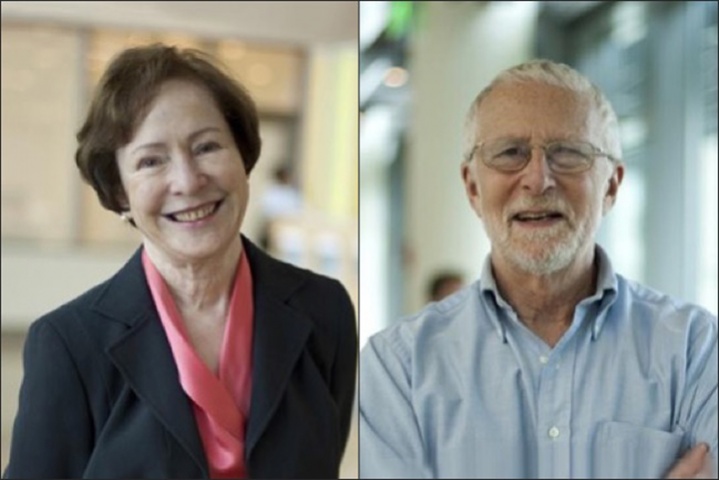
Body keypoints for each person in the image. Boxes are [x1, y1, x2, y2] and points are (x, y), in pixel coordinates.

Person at [3, 44, 357, 479]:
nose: (188, 181)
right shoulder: (69, 345)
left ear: (243, 158)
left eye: (206, 147)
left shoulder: (325, 310)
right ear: (119, 193)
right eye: (151, 161)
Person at [359, 60, 717, 479]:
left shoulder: (696, 351)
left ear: (612, 186)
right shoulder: (397, 370)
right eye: (510, 153)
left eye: (568, 154)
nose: (537, 179)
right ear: (473, 188)